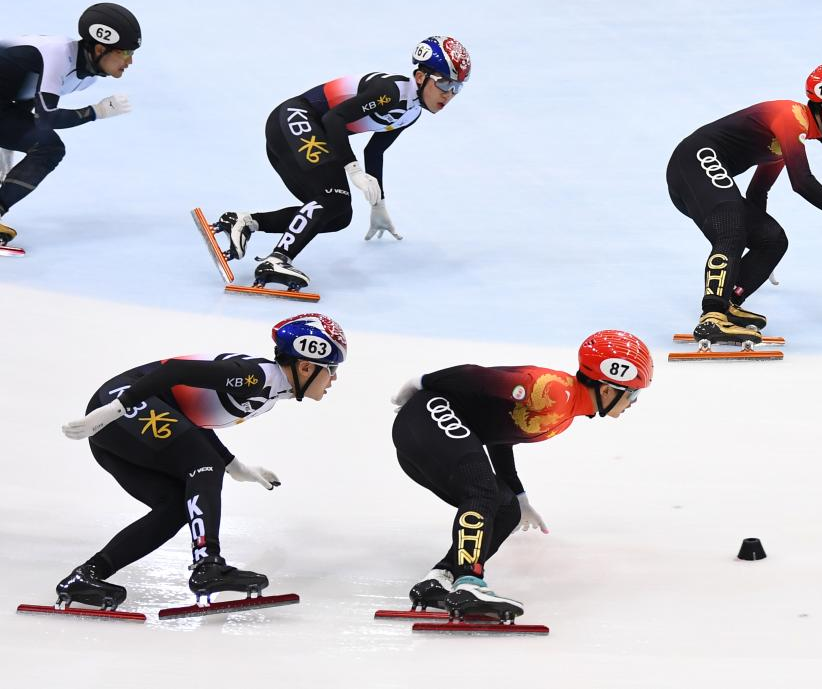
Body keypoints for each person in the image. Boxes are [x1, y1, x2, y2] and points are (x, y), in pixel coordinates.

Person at [53, 313, 347, 611]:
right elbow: (175, 371)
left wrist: (235, 466)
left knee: (176, 507)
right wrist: (114, 410)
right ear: (306, 366)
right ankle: (208, 565)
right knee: (203, 463)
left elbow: (189, 428)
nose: (334, 379)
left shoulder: (272, 393)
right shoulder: (254, 376)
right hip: (117, 410)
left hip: (122, 427)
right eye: (332, 370)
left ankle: (85, 576)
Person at [390, 330, 652, 618]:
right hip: (428, 414)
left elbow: (497, 433)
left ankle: (440, 579)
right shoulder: (554, 390)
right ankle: (469, 583)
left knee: (506, 509)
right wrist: (421, 382)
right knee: (483, 492)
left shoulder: (564, 413)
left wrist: (519, 496)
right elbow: (476, 376)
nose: (634, 403)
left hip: (427, 435)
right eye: (633, 395)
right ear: (607, 390)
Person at [211, 36, 471, 291]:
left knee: (338, 215)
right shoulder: (390, 91)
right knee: (332, 197)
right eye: (445, 84)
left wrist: (378, 205)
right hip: (295, 118)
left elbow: (375, 150)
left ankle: (246, 222)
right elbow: (334, 119)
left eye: (457, 88)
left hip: (301, 132)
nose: (449, 95)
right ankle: (277, 260)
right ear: (420, 76)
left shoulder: (412, 112)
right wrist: (353, 170)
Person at [666, 62, 822, 345]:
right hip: (692, 163)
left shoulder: (790, 136)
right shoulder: (790, 117)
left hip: (699, 179)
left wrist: (756, 245)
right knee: (731, 224)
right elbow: (802, 182)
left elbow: (759, 191)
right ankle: (712, 317)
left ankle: (728, 303)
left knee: (773, 239)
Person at [0, 3, 139, 246]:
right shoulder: (58, 54)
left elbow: (23, 100)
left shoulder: (84, 79)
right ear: (100, 48)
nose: (130, 62)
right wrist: (96, 112)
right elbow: (47, 118)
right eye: (126, 53)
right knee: (49, 146)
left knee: (46, 146)